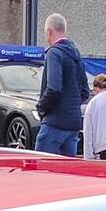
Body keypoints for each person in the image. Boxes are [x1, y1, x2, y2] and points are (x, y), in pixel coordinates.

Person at [34, 12, 90, 156]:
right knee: (65, 174)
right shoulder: (76, 56)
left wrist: (41, 107)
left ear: (49, 31)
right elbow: (84, 91)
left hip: (54, 124)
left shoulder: (54, 53)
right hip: (73, 125)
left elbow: (54, 88)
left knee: (42, 169)